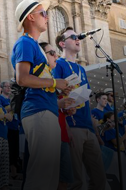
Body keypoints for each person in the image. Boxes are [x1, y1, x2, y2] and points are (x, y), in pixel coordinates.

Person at [10, 0, 68, 190]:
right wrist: (54, 82)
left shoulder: (33, 46)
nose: (48, 17)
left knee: (49, 177)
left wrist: (58, 89)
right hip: (38, 111)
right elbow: (22, 79)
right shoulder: (25, 43)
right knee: (41, 175)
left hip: (46, 110)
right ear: (31, 17)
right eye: (43, 13)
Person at [53, 28, 106, 190]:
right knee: (76, 179)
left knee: (99, 178)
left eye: (79, 37)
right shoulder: (59, 65)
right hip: (72, 126)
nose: (78, 39)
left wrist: (96, 132)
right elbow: (55, 94)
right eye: (74, 37)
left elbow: (86, 100)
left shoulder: (81, 69)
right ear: (62, 44)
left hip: (88, 128)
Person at [41, 41, 78, 190]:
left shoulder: (52, 80)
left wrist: (66, 108)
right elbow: (41, 104)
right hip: (49, 133)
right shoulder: (40, 79)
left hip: (62, 132)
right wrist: (60, 105)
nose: (56, 55)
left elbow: (57, 106)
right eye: (51, 53)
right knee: (49, 178)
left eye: (55, 52)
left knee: (65, 178)